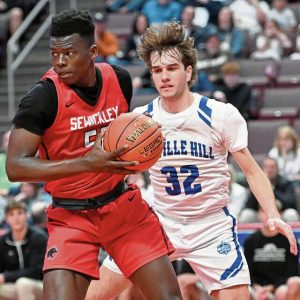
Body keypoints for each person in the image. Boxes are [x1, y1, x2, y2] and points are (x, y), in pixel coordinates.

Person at [86, 21, 298, 300]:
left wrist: (272, 214)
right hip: (159, 221)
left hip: (210, 226)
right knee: (94, 295)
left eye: (172, 68)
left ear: (188, 71)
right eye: (157, 70)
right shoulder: (140, 121)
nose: (164, 76)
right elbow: (113, 171)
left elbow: (252, 170)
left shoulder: (219, 115)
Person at [5, 9, 182, 300]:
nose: (60, 62)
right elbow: (15, 167)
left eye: (69, 53)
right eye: (54, 53)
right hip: (71, 213)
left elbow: (124, 136)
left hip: (121, 207)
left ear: (92, 52)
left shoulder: (120, 80)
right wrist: (87, 163)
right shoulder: (42, 97)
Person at [244, 203, 300, 300]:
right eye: (263, 211)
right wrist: (257, 287)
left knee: (294, 283)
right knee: (244, 291)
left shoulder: (288, 239)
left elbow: (292, 270)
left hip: (280, 286)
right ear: (258, 214)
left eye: (269, 212)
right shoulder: (251, 240)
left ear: (279, 215)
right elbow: (247, 270)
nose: (267, 216)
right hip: (257, 287)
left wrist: (272, 287)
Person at [0, 200, 47, 300]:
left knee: (23, 284)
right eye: (11, 214)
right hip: (14, 285)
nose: (16, 218)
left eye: (20, 213)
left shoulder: (39, 238)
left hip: (41, 285)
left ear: (27, 215)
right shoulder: (3, 241)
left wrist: (6, 277)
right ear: (7, 219)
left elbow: (37, 271)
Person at [240, 156, 299, 223]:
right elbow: (249, 205)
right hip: (260, 215)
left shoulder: (286, 183)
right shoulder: (256, 183)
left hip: (281, 214)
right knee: (246, 215)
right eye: (266, 167)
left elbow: (290, 203)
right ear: (262, 169)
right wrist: (260, 186)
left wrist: (270, 187)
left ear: (277, 169)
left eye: (272, 167)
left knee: (291, 214)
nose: (269, 170)